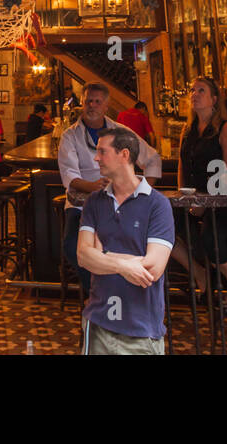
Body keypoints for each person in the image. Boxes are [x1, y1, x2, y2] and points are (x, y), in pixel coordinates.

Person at [77, 127, 175, 354]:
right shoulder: (94, 202)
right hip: (98, 323)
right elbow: (83, 256)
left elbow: (153, 268)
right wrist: (124, 265)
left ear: (124, 155)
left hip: (141, 330)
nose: (96, 157)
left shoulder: (157, 205)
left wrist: (104, 256)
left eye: (102, 151)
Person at [57, 82, 162, 292]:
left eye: (97, 102)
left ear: (106, 106)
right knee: (72, 246)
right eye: (88, 101)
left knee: (127, 245)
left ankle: (121, 294)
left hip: (119, 205)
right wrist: (93, 186)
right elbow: (70, 177)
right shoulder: (70, 135)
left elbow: (153, 160)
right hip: (82, 206)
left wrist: (141, 193)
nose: (92, 106)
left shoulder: (121, 133)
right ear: (82, 104)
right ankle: (96, 292)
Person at [173, 76, 227, 315]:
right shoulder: (188, 129)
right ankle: (200, 273)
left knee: (210, 237)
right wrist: (183, 196)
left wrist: (204, 203)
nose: (194, 94)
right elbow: (182, 166)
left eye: (200, 90)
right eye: (192, 90)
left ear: (214, 99)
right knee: (157, 226)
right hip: (195, 199)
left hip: (225, 200)